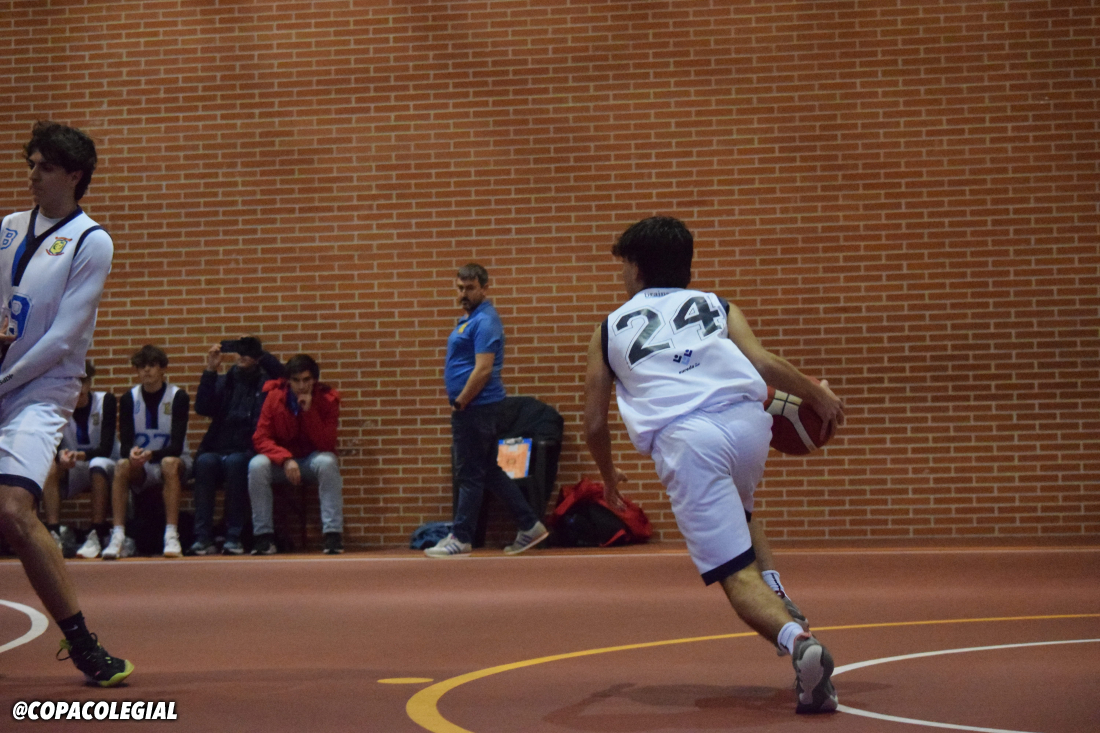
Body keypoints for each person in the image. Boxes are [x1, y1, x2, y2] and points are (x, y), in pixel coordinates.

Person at [582, 216, 845, 715]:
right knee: (741, 510)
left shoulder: (608, 329)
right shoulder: (716, 305)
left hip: (689, 443)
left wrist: (610, 476)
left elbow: (594, 422)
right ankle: (777, 591)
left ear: (636, 268)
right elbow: (762, 362)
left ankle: (798, 642)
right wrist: (817, 395)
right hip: (749, 427)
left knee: (734, 575)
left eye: (624, 266)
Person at [0, 121, 132, 685]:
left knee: (13, 511)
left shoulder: (90, 240)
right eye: (30, 164)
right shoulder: (8, 227)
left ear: (74, 176)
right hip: (3, 376)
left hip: (39, 391)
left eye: (45, 167)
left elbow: (61, 338)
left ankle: (82, 645)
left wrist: (4, 378)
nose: (32, 174)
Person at [425, 264, 549, 558]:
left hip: (477, 408)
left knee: (469, 473)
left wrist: (461, 401)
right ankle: (529, 525)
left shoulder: (485, 321)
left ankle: (461, 538)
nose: (463, 294)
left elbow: (483, 369)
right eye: (460, 288)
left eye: (470, 288)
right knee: (489, 471)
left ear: (484, 287)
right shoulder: (470, 319)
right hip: (476, 407)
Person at [190, 337, 285, 555]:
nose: (242, 356)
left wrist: (260, 354)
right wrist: (210, 370)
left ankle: (234, 536)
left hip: (247, 449)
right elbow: (202, 407)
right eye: (239, 351)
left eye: (247, 352)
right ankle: (203, 537)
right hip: (217, 447)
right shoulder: (225, 381)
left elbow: (284, 376)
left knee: (236, 463)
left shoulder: (266, 383)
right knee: (204, 462)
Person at [248, 354, 343, 555]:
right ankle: (263, 537)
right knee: (256, 465)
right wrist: (285, 459)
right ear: (288, 381)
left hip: (311, 460)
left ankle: (333, 535)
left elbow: (326, 443)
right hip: (282, 462)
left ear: (314, 380)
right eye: (296, 380)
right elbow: (261, 438)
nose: (301, 386)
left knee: (328, 462)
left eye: (306, 380)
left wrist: (309, 412)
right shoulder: (274, 398)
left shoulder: (328, 399)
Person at [103, 344, 191, 559]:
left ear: (163, 369)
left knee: (169, 463)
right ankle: (118, 535)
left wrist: (152, 454)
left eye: (152, 365)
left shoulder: (178, 396)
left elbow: (177, 446)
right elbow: (125, 445)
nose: (146, 370)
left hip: (175, 461)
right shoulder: (129, 398)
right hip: (143, 464)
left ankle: (171, 535)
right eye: (142, 366)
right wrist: (132, 454)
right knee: (121, 465)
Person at [41, 360, 119, 559]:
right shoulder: (59, 408)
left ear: (90, 383)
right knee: (50, 467)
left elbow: (105, 448)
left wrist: (81, 455)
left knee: (97, 464)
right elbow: (53, 444)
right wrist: (61, 456)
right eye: (73, 383)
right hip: (74, 465)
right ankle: (54, 532)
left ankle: (97, 531)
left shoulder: (105, 401)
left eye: (82, 382)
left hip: (106, 464)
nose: (79, 388)